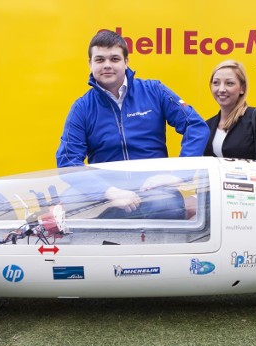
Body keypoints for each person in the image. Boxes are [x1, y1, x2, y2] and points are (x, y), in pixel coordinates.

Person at [56, 29, 209, 215]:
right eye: (99, 60)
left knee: (166, 205)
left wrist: (177, 175)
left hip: (152, 188)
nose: (107, 65)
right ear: (90, 64)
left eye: (114, 59)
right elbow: (68, 160)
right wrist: (109, 192)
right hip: (105, 190)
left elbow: (196, 126)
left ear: (126, 62)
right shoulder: (82, 107)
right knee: (70, 203)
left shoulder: (154, 90)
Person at [203, 60, 256, 161]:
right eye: (216, 83)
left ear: (242, 88)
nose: (221, 89)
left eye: (229, 83)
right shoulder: (207, 125)